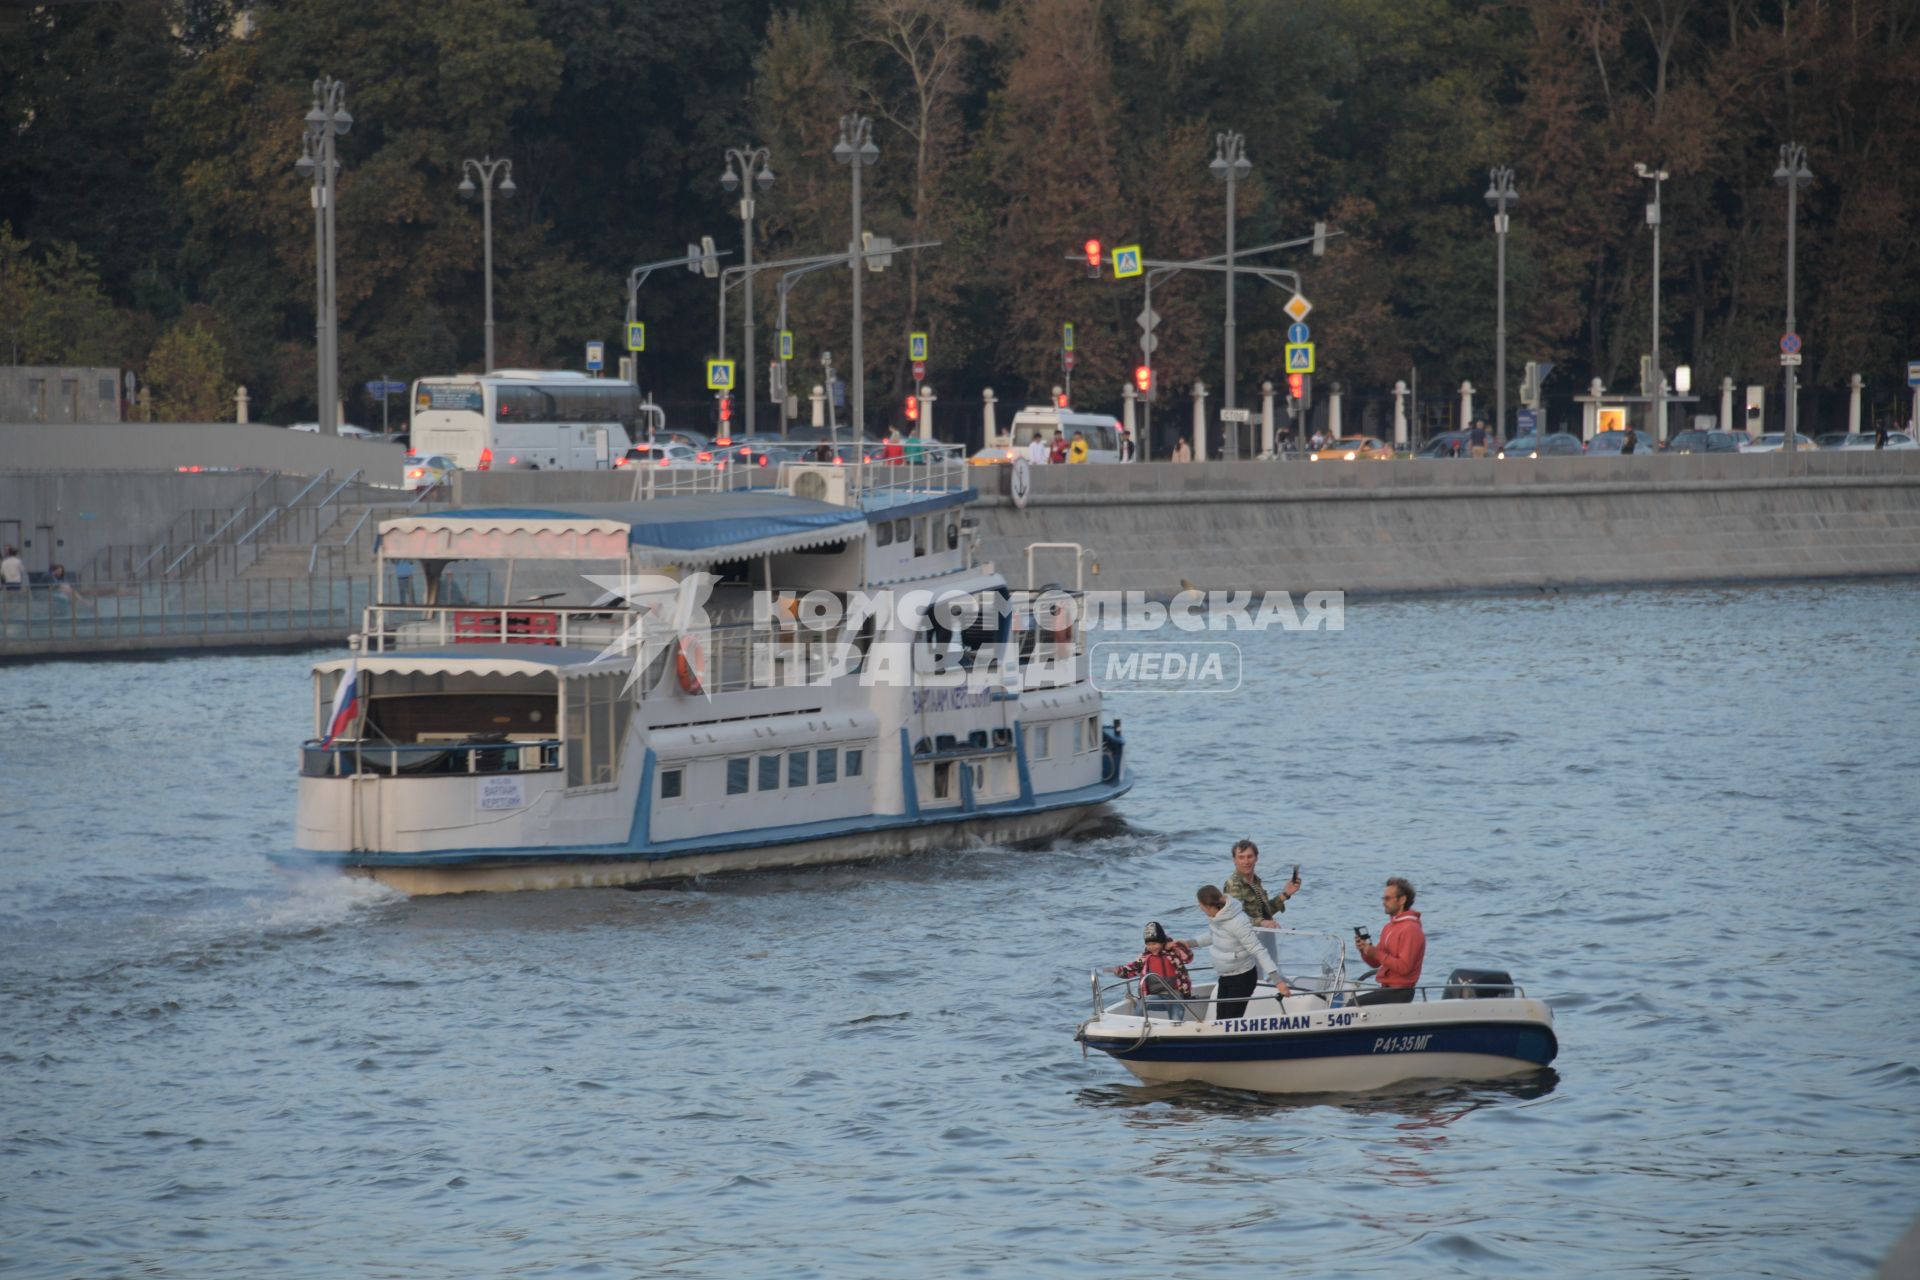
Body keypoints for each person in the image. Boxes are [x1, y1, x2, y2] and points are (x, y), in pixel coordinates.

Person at [1179, 885, 1289, 1020]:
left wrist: (1278, 982)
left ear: (1206, 905)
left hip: (1242, 978)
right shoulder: (1216, 917)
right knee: (1221, 1020)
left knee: (1229, 1022)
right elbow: (1213, 936)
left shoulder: (1237, 922)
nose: (1200, 908)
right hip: (1225, 976)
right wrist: (1188, 943)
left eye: (1200, 905)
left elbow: (1258, 950)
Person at [1353, 876, 1425, 1006]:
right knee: (1351, 1002)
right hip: (1386, 989)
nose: (1383, 902)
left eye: (1387, 898)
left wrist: (1375, 953)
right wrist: (1364, 950)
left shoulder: (1411, 929)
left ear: (1402, 900)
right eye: (1383, 898)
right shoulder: (1390, 927)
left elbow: (1404, 968)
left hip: (1400, 992)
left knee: (1353, 1005)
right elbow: (1375, 962)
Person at [1105, 922, 1195, 1015]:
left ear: (1162, 942)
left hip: (1176, 995)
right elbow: (1133, 968)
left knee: (1177, 1014)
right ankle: (1137, 1024)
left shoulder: (1173, 953)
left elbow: (1188, 957)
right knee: (1143, 1003)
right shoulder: (1145, 958)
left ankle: (1177, 1027)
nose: (1151, 947)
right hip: (1157, 997)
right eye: (1148, 944)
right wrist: (1120, 971)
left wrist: (1175, 945)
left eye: (1154, 944)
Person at [1223, 838, 1299, 927]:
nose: (1246, 861)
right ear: (1234, 860)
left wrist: (1285, 894)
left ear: (1256, 858)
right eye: (1241, 857)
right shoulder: (1233, 884)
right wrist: (1262, 923)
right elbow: (1235, 917)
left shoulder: (1255, 881)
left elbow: (1263, 913)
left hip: (1259, 936)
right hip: (1243, 938)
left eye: (1250, 856)